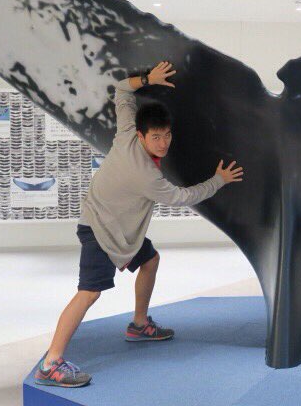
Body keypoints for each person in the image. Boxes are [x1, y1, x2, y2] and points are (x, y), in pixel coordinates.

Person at [34, 62, 244, 387]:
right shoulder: (147, 176)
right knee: (89, 293)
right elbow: (183, 197)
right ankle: (51, 363)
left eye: (166, 135)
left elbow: (122, 90)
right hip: (100, 230)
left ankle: (139, 324)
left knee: (151, 260)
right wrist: (219, 180)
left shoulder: (125, 134)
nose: (163, 143)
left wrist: (148, 79)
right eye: (156, 137)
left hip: (119, 230)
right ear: (142, 135)